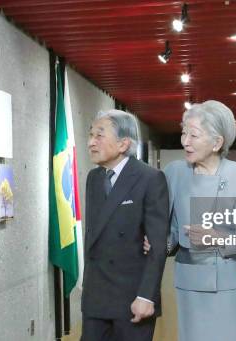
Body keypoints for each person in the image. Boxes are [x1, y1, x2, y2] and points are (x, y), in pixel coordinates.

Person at [164, 100, 236, 341]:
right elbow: (171, 232)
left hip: (232, 285)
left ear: (217, 142)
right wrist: (159, 244)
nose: (185, 141)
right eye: (183, 133)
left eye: (194, 135)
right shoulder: (174, 173)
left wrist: (219, 238)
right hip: (188, 284)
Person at [81, 109, 170, 341]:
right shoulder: (94, 178)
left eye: (99, 135)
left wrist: (147, 296)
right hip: (96, 297)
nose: (91, 142)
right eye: (90, 135)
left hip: (132, 297)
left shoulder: (150, 178)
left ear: (123, 144)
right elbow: (94, 236)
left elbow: (158, 245)